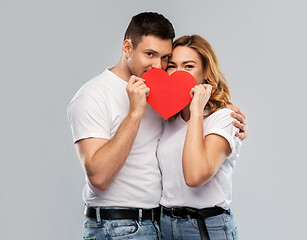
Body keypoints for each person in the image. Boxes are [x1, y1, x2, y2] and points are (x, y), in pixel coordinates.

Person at [67, 12, 247, 240]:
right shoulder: (93, 95)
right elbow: (99, 177)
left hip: (158, 224)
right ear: (127, 48)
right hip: (119, 225)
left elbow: (197, 137)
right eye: (150, 54)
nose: (157, 66)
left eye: (164, 58)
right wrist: (135, 113)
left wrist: (235, 126)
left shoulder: (162, 98)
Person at [158, 35, 242, 240]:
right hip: (165, 225)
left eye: (188, 66)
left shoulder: (223, 118)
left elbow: (195, 176)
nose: (179, 73)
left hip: (206, 227)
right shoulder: (166, 119)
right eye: (172, 66)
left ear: (205, 72)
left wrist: (196, 111)